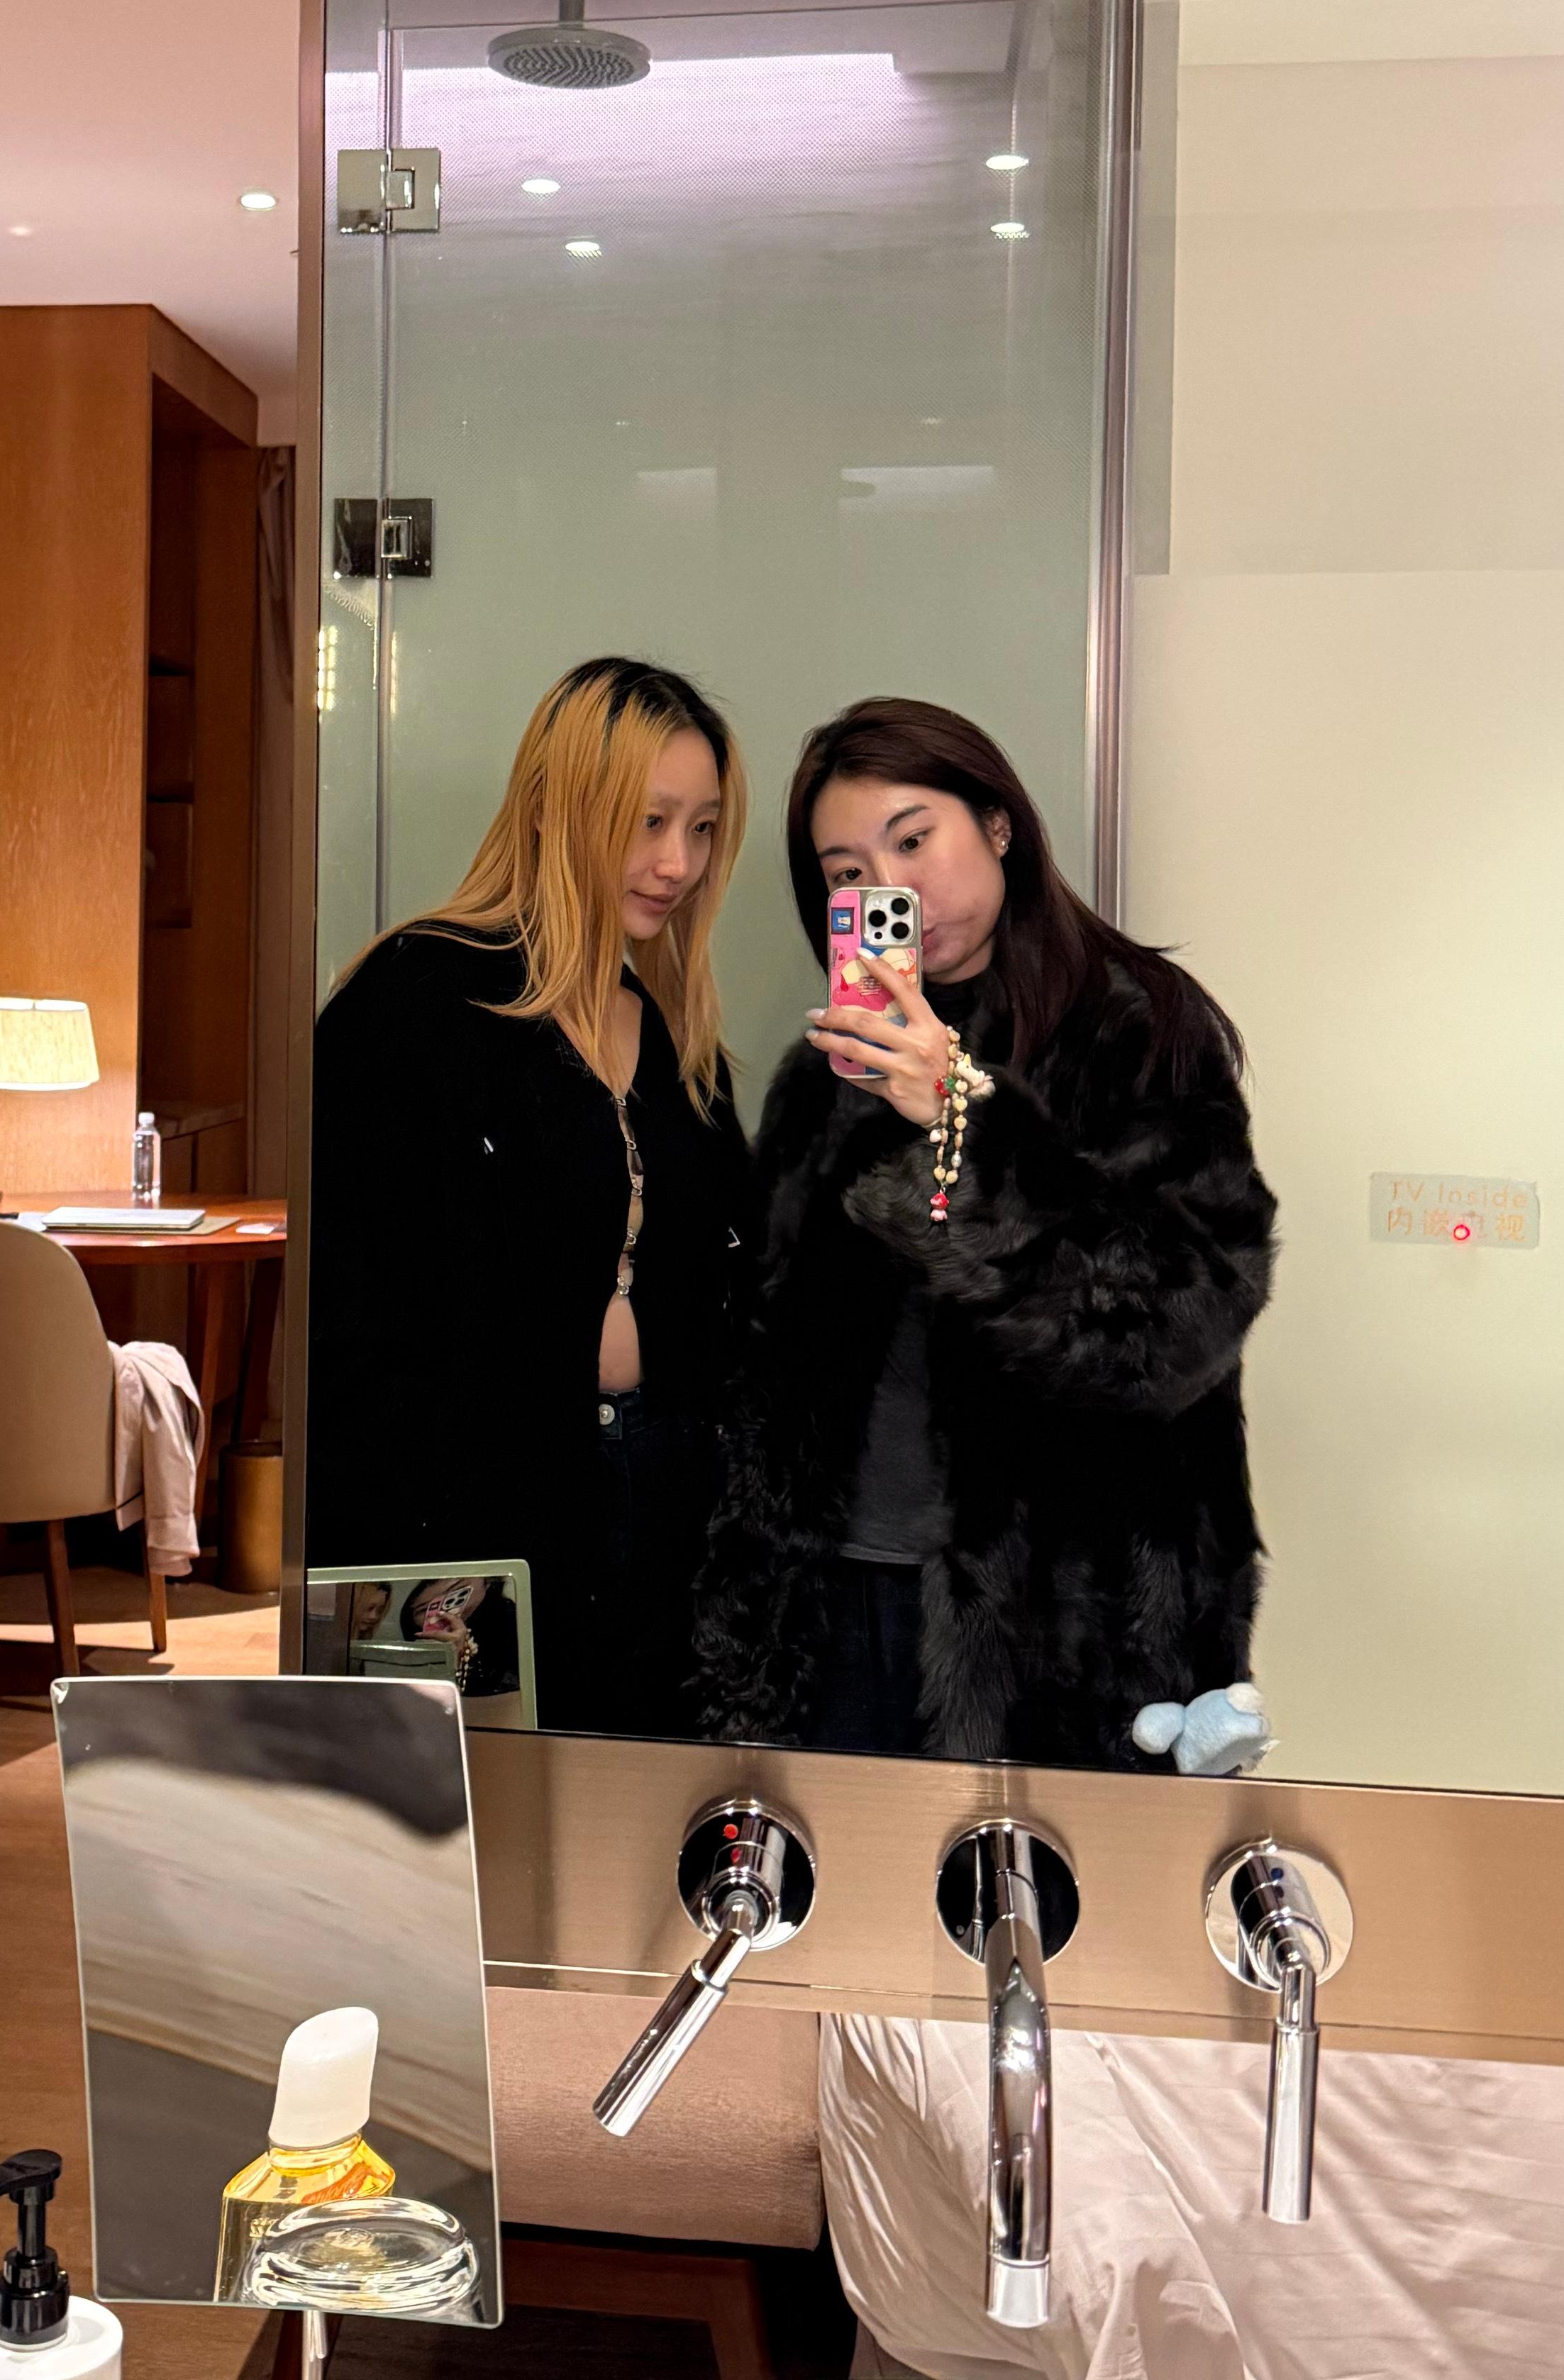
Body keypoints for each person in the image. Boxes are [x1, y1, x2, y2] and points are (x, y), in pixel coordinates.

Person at [692, 696, 1276, 1771]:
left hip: (1067, 1622)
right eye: (848, 871)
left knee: (1035, 1880)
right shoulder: (831, 1075)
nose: (891, 887)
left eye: (914, 841)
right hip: (834, 1600)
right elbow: (765, 1350)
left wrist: (961, 1114)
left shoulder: (1138, 1029)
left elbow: (1182, 1324)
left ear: (999, 824)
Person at [308, 656, 755, 1733]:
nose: (678, 863)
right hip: (476, 1513)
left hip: (664, 1507)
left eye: (701, 829)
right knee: (495, 1811)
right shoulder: (414, 1002)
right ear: (557, 809)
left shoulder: (678, 1043)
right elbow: (349, 1321)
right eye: (648, 821)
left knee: (642, 1808)